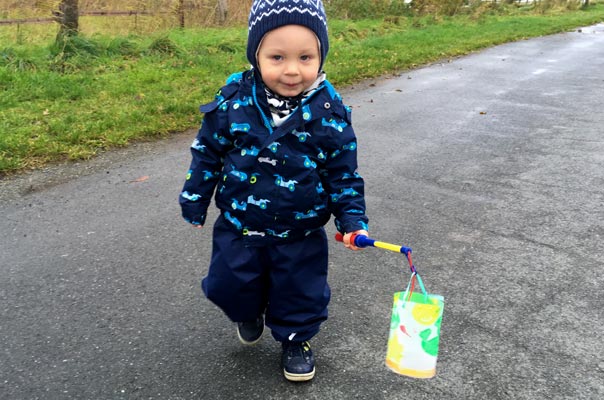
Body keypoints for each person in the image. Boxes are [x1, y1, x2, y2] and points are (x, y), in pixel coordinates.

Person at [179, 0, 368, 382]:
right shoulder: (233, 102)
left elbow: (342, 172)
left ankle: (295, 338)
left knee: (299, 291)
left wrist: (352, 219)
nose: (293, 70)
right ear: (256, 55)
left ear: (320, 55)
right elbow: (207, 152)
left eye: (305, 56)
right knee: (228, 285)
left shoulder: (329, 112)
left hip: (299, 232)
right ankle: (247, 311)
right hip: (240, 224)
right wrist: (195, 197)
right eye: (278, 57)